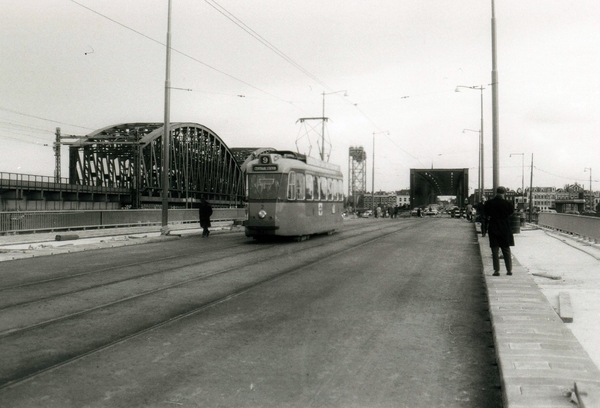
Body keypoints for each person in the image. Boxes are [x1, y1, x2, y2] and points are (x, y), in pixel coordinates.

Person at [484, 186, 514, 276]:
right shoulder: (508, 203)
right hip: (505, 228)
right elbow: (511, 213)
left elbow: (486, 213)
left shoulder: (489, 203)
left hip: (493, 227)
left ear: (496, 192)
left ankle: (496, 270)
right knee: (506, 249)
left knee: (494, 250)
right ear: (504, 193)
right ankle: (509, 270)